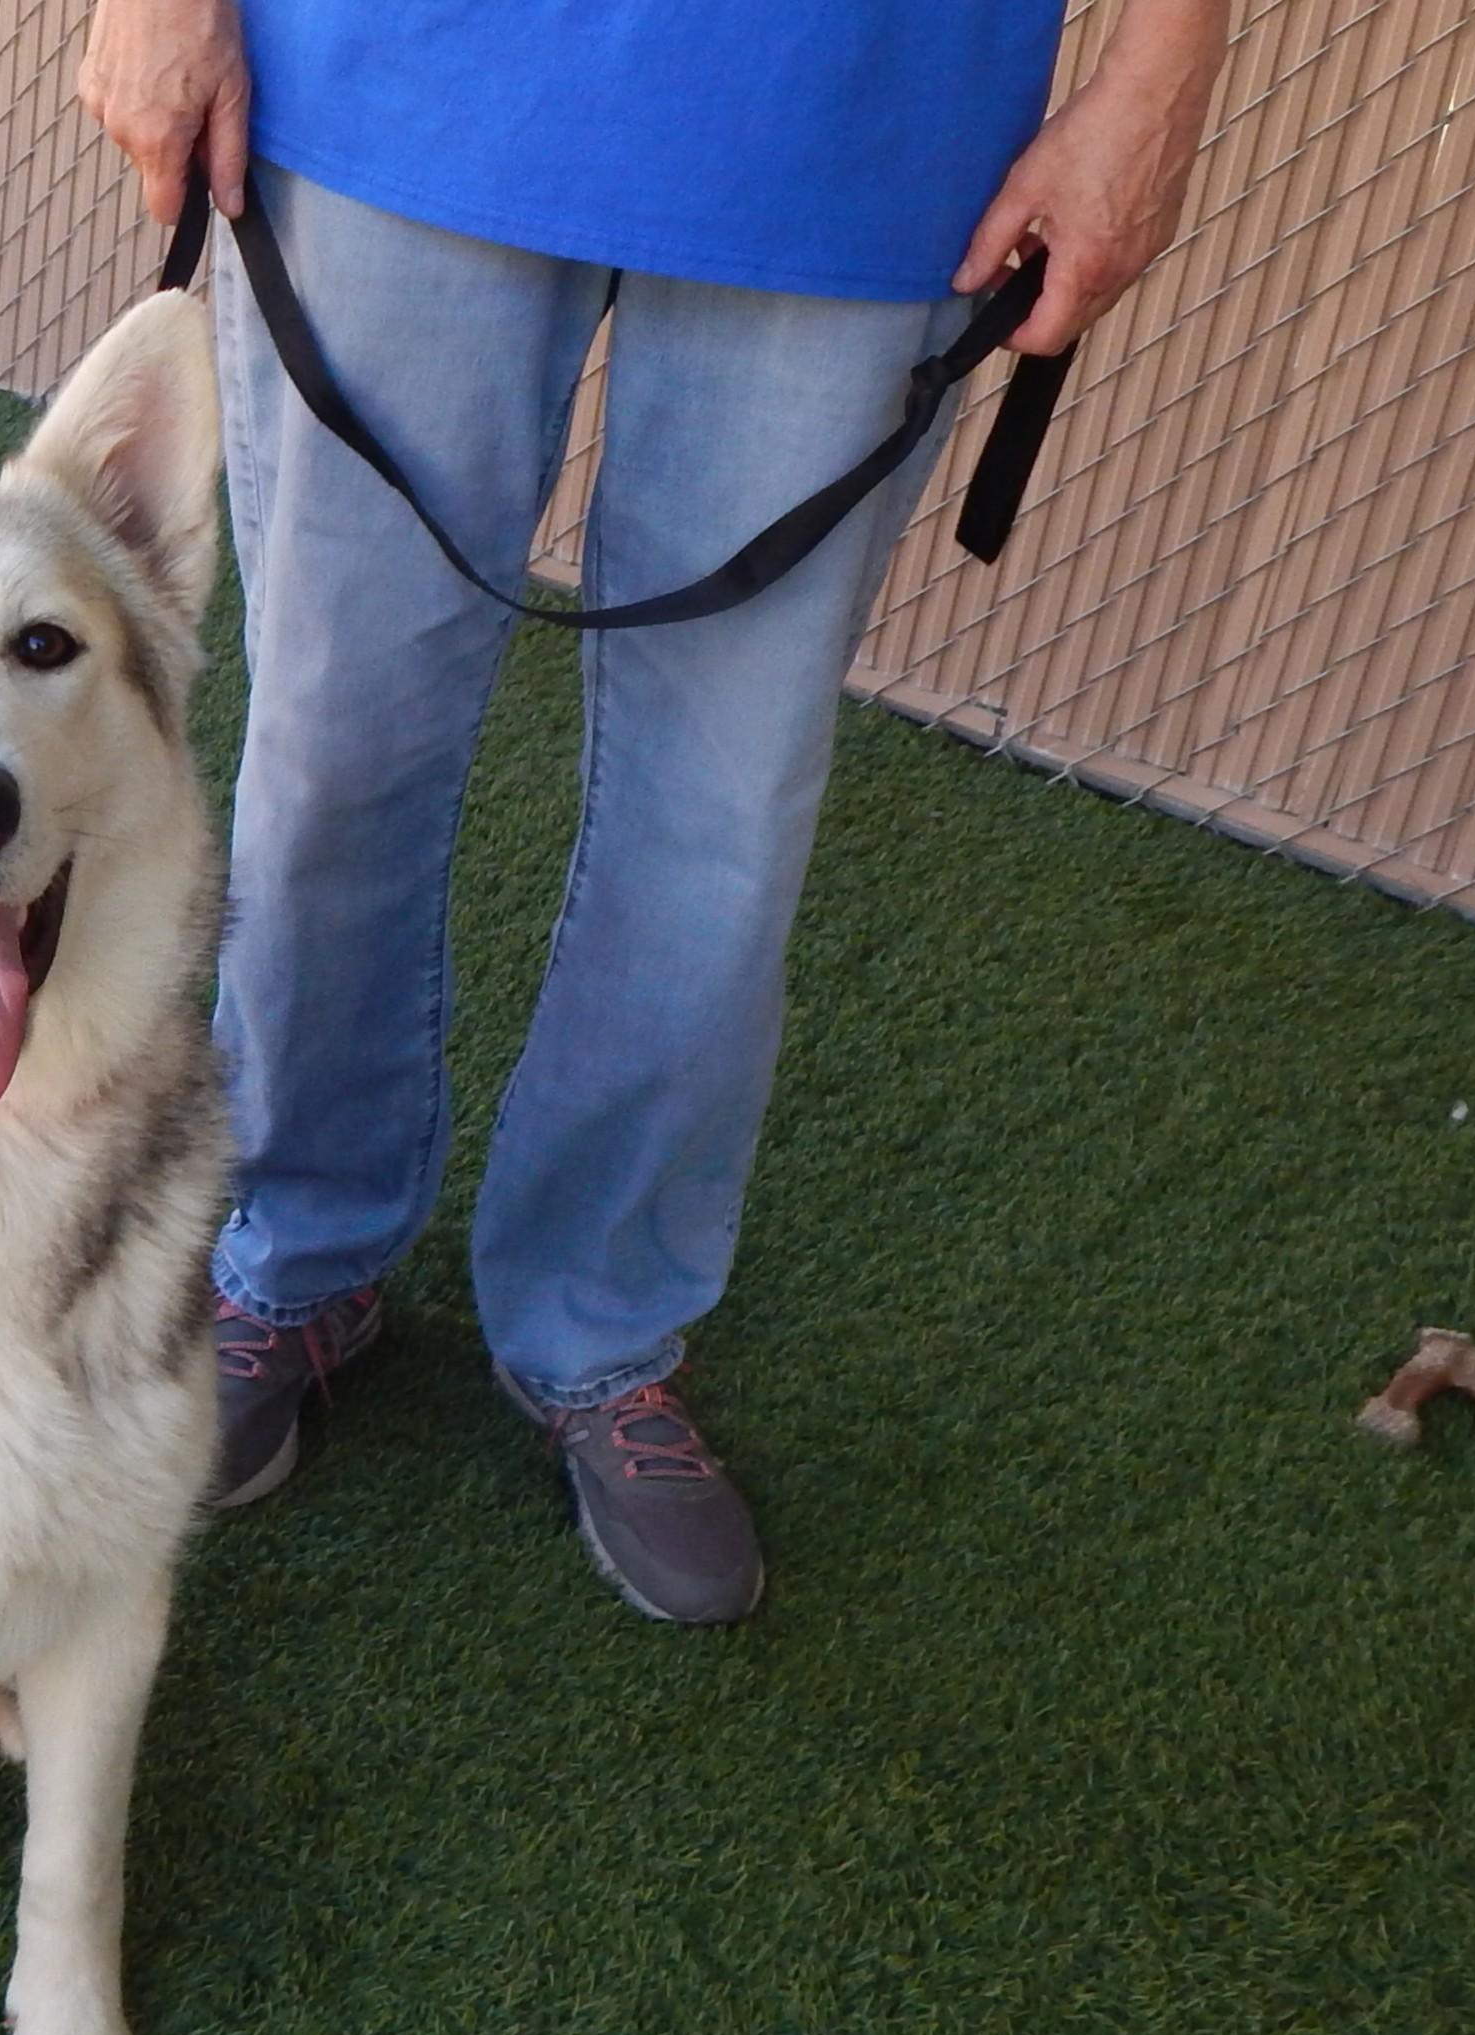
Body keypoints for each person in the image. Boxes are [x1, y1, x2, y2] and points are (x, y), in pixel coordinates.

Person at [79, 0, 1230, 1621]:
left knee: (723, 807)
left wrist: (1157, 75)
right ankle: (296, 1252)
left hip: (861, 113)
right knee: (336, 740)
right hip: (396, 76)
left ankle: (600, 1325)